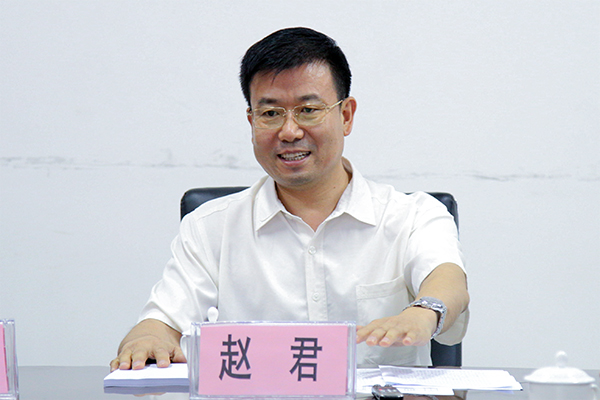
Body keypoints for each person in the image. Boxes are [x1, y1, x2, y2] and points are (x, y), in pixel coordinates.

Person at [110, 27, 469, 371]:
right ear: (251, 121)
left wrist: (423, 312)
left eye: (308, 110)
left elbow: (447, 279)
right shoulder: (209, 228)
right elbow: (161, 322)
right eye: (270, 114)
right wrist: (146, 339)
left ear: (346, 116)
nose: (290, 131)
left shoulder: (414, 216)